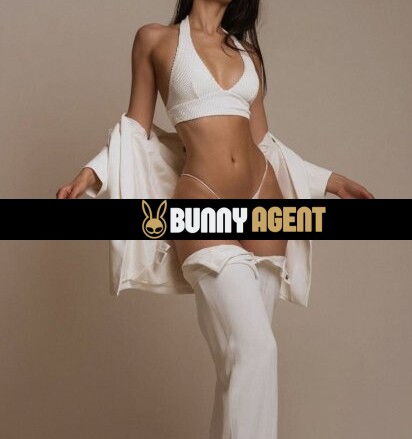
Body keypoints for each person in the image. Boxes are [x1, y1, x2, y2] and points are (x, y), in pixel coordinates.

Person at [57, 1, 374, 438]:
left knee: (237, 367)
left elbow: (263, 142)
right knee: (256, 350)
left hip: (265, 202)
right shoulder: (156, 40)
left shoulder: (247, 54)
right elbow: (135, 130)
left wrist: (330, 181)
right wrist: (92, 173)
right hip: (201, 202)